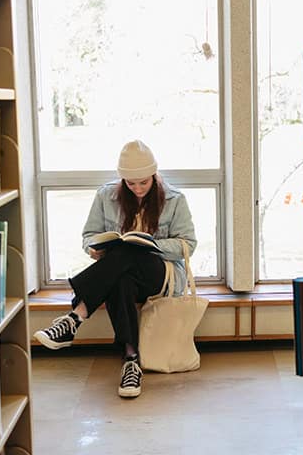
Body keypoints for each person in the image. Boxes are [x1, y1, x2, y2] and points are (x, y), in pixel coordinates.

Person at [33, 140, 197, 398]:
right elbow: (89, 235)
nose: (138, 188)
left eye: (144, 182)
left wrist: (150, 245)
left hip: (161, 274)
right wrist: (94, 249)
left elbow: (188, 244)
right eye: (131, 184)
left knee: (129, 250)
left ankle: (76, 316)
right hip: (123, 274)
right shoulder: (106, 196)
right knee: (122, 279)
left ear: (154, 176)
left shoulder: (175, 199)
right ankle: (131, 361)